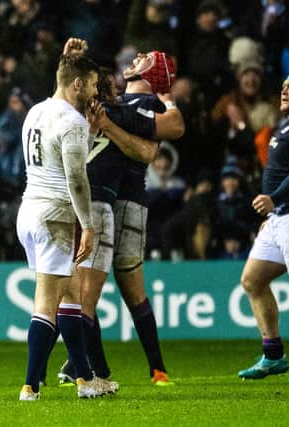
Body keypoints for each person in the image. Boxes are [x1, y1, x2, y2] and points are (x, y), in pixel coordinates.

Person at [50, 44, 184, 389]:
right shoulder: (120, 104)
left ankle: (143, 369)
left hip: (126, 202)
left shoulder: (143, 105)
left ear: (151, 73)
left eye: (142, 59)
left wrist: (110, 123)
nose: (133, 60)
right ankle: (94, 366)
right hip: (105, 200)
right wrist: (69, 60)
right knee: (86, 287)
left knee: (124, 287)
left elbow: (154, 146)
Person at [16, 38, 109, 401]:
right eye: (93, 84)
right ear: (78, 84)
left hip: (29, 210)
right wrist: (87, 224)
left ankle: (85, 380)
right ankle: (30, 385)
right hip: (54, 214)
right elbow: (75, 179)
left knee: (72, 291)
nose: (95, 91)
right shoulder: (71, 121)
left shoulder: (36, 110)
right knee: (46, 302)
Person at [238, 71, 289, 382]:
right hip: (279, 217)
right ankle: (273, 357)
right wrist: (272, 212)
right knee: (252, 280)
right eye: (282, 84)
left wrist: (274, 199)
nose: (283, 89)